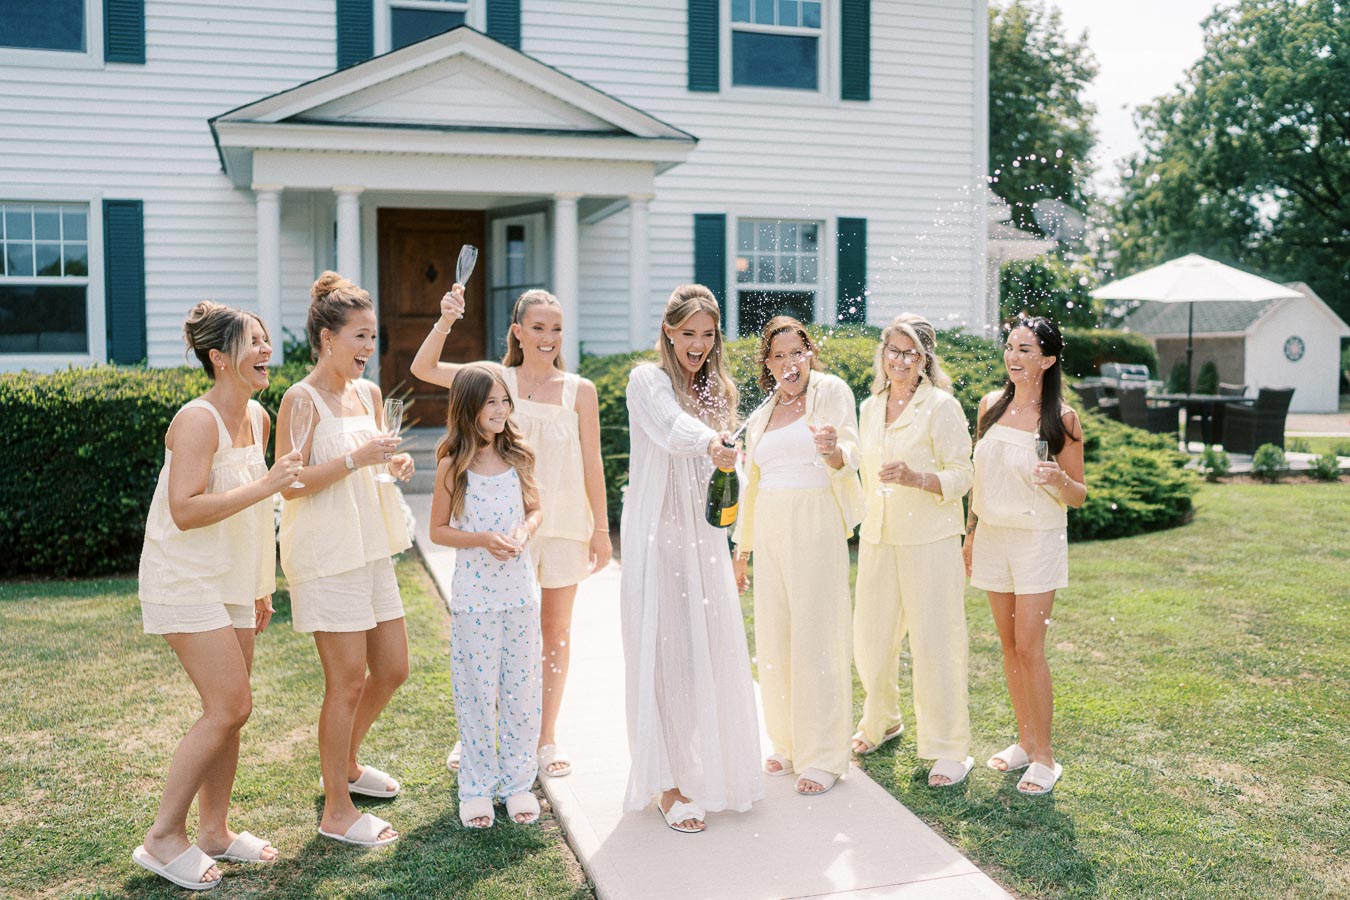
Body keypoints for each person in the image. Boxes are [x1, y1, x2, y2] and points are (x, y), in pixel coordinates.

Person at [133, 302, 301, 890]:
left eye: (264, 339)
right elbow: (184, 511)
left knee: (233, 713)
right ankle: (162, 838)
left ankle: (215, 832)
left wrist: (260, 585)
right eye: (253, 342)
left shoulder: (257, 414)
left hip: (233, 579)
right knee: (230, 706)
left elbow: (256, 517)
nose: (265, 351)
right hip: (184, 578)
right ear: (218, 358)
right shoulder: (196, 420)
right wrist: (267, 483)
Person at [412, 286, 610, 780]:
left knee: (555, 633)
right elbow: (423, 369)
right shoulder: (494, 380)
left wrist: (601, 529)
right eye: (538, 327)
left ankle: (545, 737)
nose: (548, 337)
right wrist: (446, 319)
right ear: (518, 331)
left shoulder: (579, 390)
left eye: (557, 328)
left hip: (560, 525)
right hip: (502, 532)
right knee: (494, 637)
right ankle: (480, 732)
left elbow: (593, 463)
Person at [276, 272, 415, 847]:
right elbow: (290, 484)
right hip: (327, 555)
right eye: (359, 336)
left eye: (372, 337)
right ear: (327, 337)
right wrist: (359, 459)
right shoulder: (299, 400)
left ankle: (348, 766)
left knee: (393, 668)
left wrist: (392, 467)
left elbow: (375, 461)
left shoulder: (369, 395)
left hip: (370, 548)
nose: (367, 348)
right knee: (347, 681)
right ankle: (336, 809)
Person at [621, 284, 762, 834]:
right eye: (688, 334)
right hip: (657, 538)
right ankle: (667, 783)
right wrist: (711, 444)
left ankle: (700, 765)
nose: (698, 345)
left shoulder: (718, 391)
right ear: (669, 332)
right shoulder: (645, 380)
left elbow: (724, 473)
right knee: (663, 651)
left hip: (703, 541)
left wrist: (730, 462)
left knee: (703, 650)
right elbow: (670, 428)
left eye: (708, 334)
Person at [731, 316, 862, 796]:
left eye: (798, 351)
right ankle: (786, 742)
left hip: (814, 521)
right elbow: (753, 483)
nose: (790, 362)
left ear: (810, 353)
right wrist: (741, 550)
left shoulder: (829, 392)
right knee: (775, 635)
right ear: (768, 363)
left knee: (817, 634)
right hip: (769, 527)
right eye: (779, 355)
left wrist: (831, 451)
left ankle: (824, 754)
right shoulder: (764, 411)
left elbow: (850, 448)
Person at [964, 316, 1086, 796]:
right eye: (1011, 347)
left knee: (1031, 646)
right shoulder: (990, 406)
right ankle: (1024, 740)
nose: (1014, 358)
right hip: (993, 535)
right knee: (1008, 645)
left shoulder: (1063, 419)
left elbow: (1077, 495)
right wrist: (971, 534)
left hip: (1037, 538)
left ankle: (1045, 757)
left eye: (1026, 350)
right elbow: (980, 478)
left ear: (1048, 360)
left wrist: (1058, 479)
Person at [852, 314, 976, 788]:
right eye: (892, 350)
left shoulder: (942, 407)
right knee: (870, 640)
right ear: (882, 354)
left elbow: (962, 475)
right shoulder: (868, 407)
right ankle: (881, 720)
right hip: (879, 538)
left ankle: (949, 748)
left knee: (935, 643)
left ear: (924, 361)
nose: (899, 360)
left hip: (930, 541)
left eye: (910, 353)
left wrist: (915, 478)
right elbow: (858, 464)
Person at [429, 363, 545, 828]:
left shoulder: (520, 456)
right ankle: (476, 786)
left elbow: (536, 510)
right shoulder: (452, 466)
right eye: (490, 403)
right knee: (478, 691)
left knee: (521, 692)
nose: (500, 411)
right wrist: (481, 539)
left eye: (504, 401)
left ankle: (518, 783)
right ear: (468, 409)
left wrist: (523, 529)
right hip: (475, 599)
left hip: (520, 595)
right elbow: (438, 530)